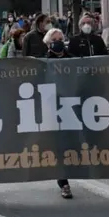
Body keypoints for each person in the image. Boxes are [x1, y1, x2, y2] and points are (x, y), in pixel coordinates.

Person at [43, 27, 74, 199]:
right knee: (59, 146)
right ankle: (64, 182)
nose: (58, 41)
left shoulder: (73, 60)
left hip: (73, 108)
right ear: (48, 43)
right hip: (53, 109)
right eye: (55, 39)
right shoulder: (43, 62)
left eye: (61, 38)